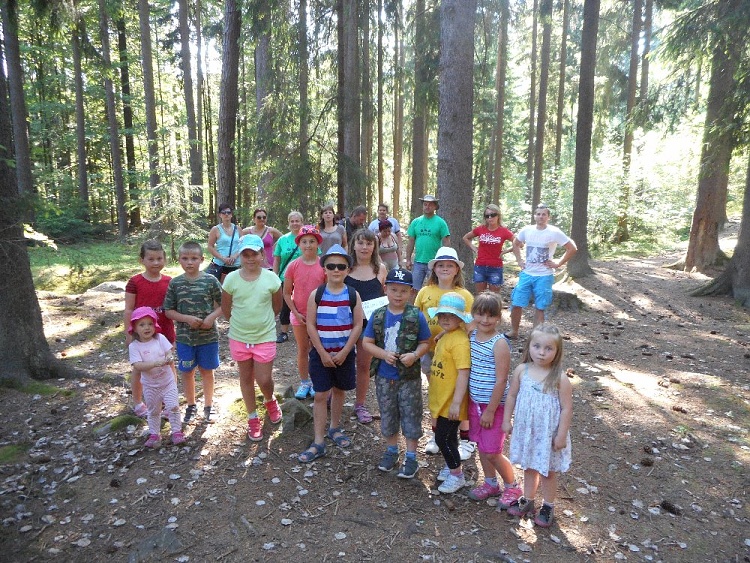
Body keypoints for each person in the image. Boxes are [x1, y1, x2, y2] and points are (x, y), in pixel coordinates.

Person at [297, 244, 364, 463]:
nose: (336, 270)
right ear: (324, 268)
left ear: (348, 270)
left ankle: (335, 428)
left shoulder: (353, 295)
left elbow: (357, 324)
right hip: (321, 354)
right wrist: (321, 352)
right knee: (320, 394)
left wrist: (345, 351)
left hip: (344, 354)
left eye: (341, 266)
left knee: (339, 390)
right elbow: (310, 325)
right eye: (331, 266)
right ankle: (318, 441)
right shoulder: (317, 294)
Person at [362, 268, 431, 479]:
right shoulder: (378, 315)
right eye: (393, 290)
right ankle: (392, 450)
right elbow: (367, 343)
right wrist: (383, 354)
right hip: (385, 377)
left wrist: (415, 355)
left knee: (411, 415)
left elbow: (426, 342)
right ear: (385, 289)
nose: (398, 295)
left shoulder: (416, 316)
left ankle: (411, 457)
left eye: (403, 291)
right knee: (388, 414)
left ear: (411, 292)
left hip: (409, 378)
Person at [502, 323, 572, 528]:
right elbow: (512, 396)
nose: (541, 352)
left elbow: (566, 408)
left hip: (548, 435)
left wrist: (561, 435)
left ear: (557, 351)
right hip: (527, 431)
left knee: (547, 471)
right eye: (537, 346)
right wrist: (506, 420)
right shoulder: (522, 371)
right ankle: (528, 499)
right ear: (529, 346)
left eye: (548, 348)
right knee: (529, 466)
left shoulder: (559, 378)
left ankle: (548, 505)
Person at [414, 246, 475, 460]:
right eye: (441, 265)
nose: (445, 268)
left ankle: (466, 438)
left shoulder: (464, 295)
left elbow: (470, 325)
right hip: (429, 350)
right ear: (434, 268)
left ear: (457, 269)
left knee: (459, 392)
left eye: (450, 265)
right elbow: (416, 317)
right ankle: (437, 434)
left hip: (456, 354)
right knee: (437, 390)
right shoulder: (425, 291)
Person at [221, 235, 284, 441]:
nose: (250, 259)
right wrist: (239, 324)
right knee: (246, 377)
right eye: (245, 255)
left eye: (254, 254)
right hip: (239, 336)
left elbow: (277, 306)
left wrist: (263, 322)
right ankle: (252, 417)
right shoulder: (231, 279)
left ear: (262, 254)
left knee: (264, 379)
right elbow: (226, 308)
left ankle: (270, 399)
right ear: (240, 256)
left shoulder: (271, 279)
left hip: (264, 336)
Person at [466, 292, 522, 506]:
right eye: (480, 314)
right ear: (474, 314)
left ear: (498, 317)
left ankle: (512, 486)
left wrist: (490, 410)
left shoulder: (499, 344)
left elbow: (501, 380)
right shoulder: (472, 335)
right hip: (475, 403)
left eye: (491, 315)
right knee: (482, 446)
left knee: (492, 451)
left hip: (494, 407)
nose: (485, 320)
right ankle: (490, 483)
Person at [163, 241, 222, 424]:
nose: (189, 262)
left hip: (208, 337)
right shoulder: (175, 283)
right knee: (187, 371)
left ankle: (209, 406)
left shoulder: (210, 280)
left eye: (194, 258)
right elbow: (168, 311)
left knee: (207, 371)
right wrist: (186, 318)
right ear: (179, 260)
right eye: (185, 258)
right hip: (185, 339)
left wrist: (211, 318)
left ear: (202, 259)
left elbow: (224, 305)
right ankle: (191, 405)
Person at [506, 204, 577, 340]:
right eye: (538, 214)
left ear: (548, 217)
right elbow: (515, 243)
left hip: (544, 275)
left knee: (540, 306)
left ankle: (536, 337)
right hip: (527, 273)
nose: (541, 217)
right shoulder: (527, 230)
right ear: (534, 216)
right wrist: (519, 260)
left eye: (544, 214)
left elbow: (572, 248)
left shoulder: (554, 232)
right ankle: (514, 331)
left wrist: (558, 263)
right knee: (517, 302)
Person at [426, 292, 472, 494]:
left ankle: (457, 475)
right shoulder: (448, 335)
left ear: (460, 318)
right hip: (442, 397)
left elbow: (463, 372)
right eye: (442, 315)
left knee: (442, 438)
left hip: (452, 400)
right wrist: (442, 335)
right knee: (449, 437)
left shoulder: (460, 342)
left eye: (451, 316)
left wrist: (456, 402)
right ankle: (452, 464)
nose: (445, 319)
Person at [124, 239, 176, 417]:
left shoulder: (169, 281)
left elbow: (172, 308)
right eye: (151, 259)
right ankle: (138, 402)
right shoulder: (135, 282)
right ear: (142, 260)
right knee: (140, 368)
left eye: (159, 259)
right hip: (141, 334)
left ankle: (169, 402)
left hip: (164, 331)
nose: (156, 263)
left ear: (165, 259)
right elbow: (129, 309)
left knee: (168, 364)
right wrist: (129, 333)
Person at [345, 228, 387, 424]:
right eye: (360, 243)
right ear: (353, 245)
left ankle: (360, 404)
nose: (364, 247)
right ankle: (332, 395)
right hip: (344, 324)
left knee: (363, 365)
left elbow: (385, 295)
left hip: (368, 326)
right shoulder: (345, 267)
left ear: (374, 246)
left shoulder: (380, 269)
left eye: (369, 243)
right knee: (340, 361)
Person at [128, 307, 183, 447]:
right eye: (142, 325)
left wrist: (169, 357)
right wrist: (154, 364)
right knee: (153, 411)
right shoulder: (134, 346)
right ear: (135, 328)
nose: (147, 327)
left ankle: (177, 432)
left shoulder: (160, 338)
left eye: (150, 324)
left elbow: (169, 351)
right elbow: (137, 365)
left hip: (167, 382)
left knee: (173, 406)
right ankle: (154, 434)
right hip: (150, 385)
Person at [284, 225, 326, 400]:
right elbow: (286, 293)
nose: (308, 245)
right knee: (302, 349)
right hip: (299, 316)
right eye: (304, 242)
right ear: (299, 244)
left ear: (317, 243)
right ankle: (304, 382)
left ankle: (317, 381)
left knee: (317, 349)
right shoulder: (293, 266)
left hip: (320, 316)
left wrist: (321, 314)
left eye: (312, 241)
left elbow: (327, 291)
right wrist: (295, 312)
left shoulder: (323, 265)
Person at [462, 204, 520, 293]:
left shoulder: (504, 231)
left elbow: (519, 243)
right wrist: (475, 249)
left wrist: (505, 251)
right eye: (487, 216)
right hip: (480, 266)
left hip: (495, 267)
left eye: (493, 215)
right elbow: (465, 238)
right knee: (480, 295)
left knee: (494, 296)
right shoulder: (480, 229)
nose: (490, 218)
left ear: (498, 216)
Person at [406, 195, 450, 289]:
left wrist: (445, 260)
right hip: (418, 262)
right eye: (425, 204)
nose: (427, 206)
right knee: (414, 289)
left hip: (435, 262)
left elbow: (446, 242)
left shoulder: (441, 222)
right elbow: (411, 241)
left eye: (430, 204)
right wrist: (408, 259)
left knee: (435, 288)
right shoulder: (416, 222)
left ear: (435, 206)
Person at [273, 211, 305, 343]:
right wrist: (275, 275)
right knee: (285, 304)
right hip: (285, 278)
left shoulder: (307, 238)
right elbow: (277, 259)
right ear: (288, 223)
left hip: (304, 277)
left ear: (302, 222)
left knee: (304, 303)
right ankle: (284, 332)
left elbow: (316, 256)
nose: (295, 223)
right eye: (292, 221)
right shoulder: (282, 240)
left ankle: (306, 329)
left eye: (297, 221)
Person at [207, 203, 241, 281]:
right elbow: (210, 246)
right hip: (220, 264)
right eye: (223, 212)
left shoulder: (238, 229)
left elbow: (242, 245)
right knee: (220, 287)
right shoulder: (215, 229)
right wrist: (222, 258)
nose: (226, 214)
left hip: (236, 264)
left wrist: (235, 256)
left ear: (231, 214)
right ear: (220, 215)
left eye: (228, 212)